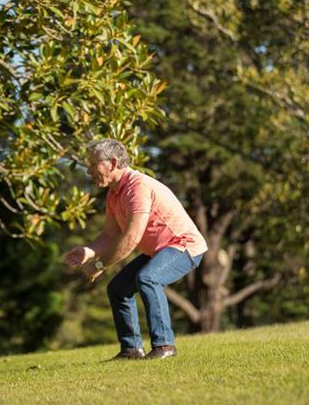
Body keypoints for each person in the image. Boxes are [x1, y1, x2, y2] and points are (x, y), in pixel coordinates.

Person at [64, 139, 207, 360]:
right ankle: (131, 350)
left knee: (148, 278)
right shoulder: (114, 193)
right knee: (118, 289)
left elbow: (131, 237)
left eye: (93, 164)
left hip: (184, 246)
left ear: (112, 163)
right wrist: (89, 251)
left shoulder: (137, 186)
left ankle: (164, 346)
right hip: (159, 250)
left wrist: (100, 265)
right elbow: (110, 235)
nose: (88, 170)